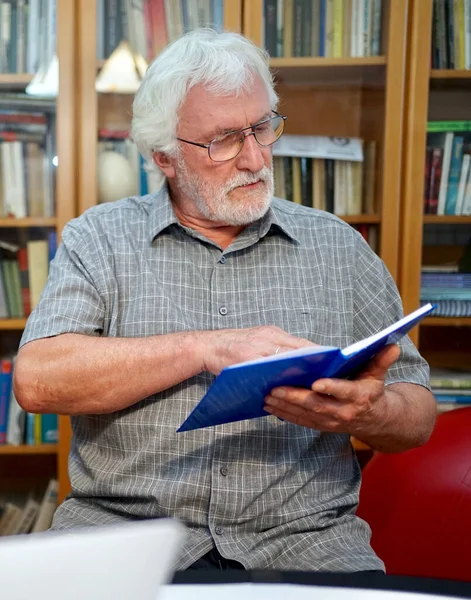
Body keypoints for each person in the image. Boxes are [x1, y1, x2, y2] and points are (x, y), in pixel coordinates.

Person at [13, 29, 436, 573]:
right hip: (124, 535)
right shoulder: (99, 239)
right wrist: (205, 348)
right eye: (225, 139)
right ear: (165, 157)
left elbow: (419, 413)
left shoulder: (338, 246)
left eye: (263, 127)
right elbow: (37, 380)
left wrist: (371, 411)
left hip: (307, 540)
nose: (255, 157)